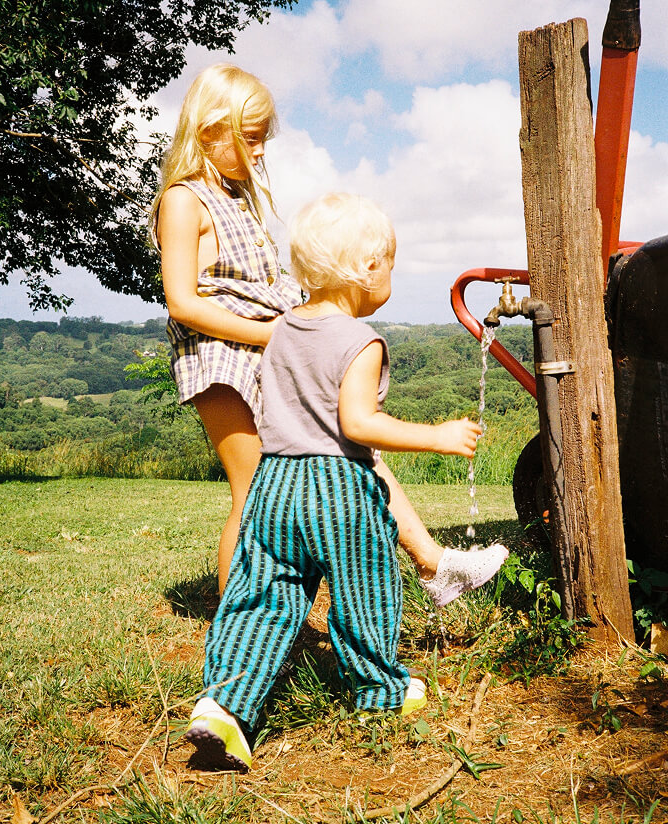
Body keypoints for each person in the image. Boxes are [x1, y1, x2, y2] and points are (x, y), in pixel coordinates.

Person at [151, 63, 506, 604]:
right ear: (209, 132)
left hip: (270, 344)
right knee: (254, 493)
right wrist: (275, 334)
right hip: (221, 355)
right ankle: (238, 626)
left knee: (350, 446)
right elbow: (182, 302)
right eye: (251, 140)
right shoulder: (184, 198)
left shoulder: (240, 197)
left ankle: (434, 563)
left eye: (264, 140)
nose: (262, 152)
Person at [183, 193, 501, 772]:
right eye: (391, 264)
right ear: (368, 268)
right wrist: (436, 435)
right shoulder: (362, 339)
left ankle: (224, 703)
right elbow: (358, 424)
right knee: (365, 590)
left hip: (274, 482)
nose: (392, 276)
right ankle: (379, 691)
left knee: (261, 598)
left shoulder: (279, 332)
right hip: (337, 485)